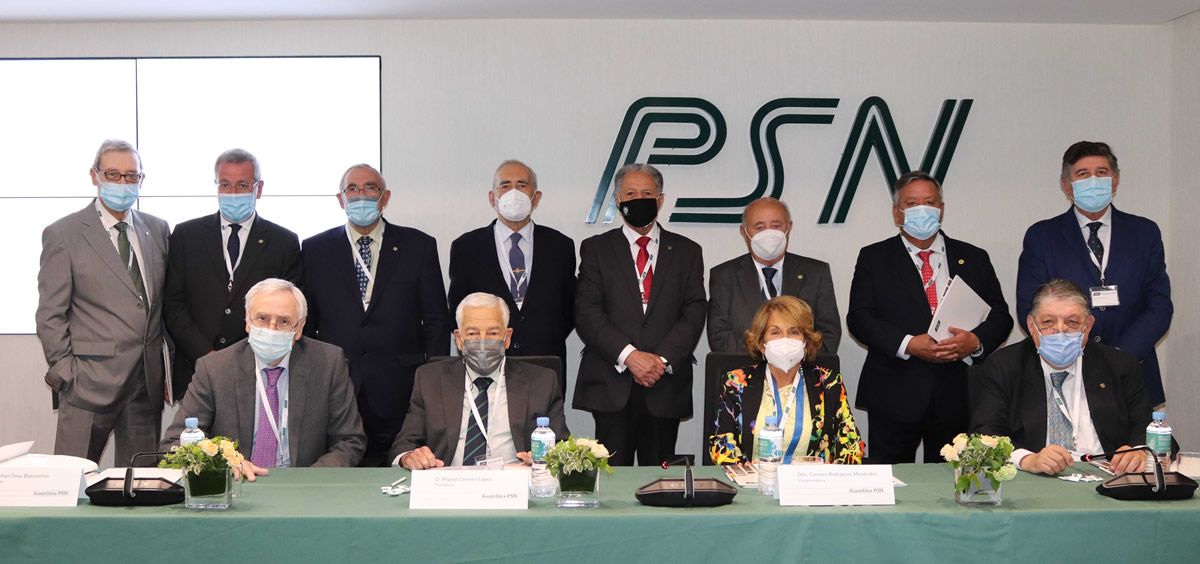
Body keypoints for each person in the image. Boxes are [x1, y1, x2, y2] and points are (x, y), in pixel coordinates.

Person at [847, 171, 1012, 464]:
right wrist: (908, 344)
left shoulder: (974, 257)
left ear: (942, 208)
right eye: (912, 204)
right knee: (892, 479)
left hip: (957, 392)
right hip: (894, 392)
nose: (922, 210)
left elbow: (1001, 317)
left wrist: (974, 342)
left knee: (953, 479)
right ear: (897, 212)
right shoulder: (874, 257)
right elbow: (860, 318)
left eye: (930, 202)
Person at [301, 164, 450, 467]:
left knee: (399, 468)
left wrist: (433, 381)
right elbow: (307, 322)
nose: (361, 195)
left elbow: (436, 319)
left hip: (401, 386)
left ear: (385, 197)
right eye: (352, 189)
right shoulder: (315, 249)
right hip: (337, 384)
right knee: (340, 469)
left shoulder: (418, 246)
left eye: (370, 188)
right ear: (340, 199)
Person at [35, 139, 170, 465]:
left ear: (141, 179)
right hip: (87, 385)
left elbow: (161, 304)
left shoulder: (157, 229)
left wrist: (166, 370)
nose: (122, 183)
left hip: (144, 385)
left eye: (131, 176)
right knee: (72, 480)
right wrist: (66, 373)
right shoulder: (63, 234)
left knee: (141, 481)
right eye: (113, 174)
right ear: (94, 175)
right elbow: (50, 314)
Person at [1016, 141, 1172, 407]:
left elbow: (1159, 306)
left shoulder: (1144, 232)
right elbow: (1030, 308)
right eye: (1083, 174)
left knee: (1135, 437)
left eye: (1101, 173)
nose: (1093, 181)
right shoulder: (1042, 236)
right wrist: (1075, 353)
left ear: (1115, 180)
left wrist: (1120, 357)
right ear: (1066, 185)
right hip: (1065, 372)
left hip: (1133, 372)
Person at [574, 163, 707, 466]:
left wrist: (660, 361)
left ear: (660, 200)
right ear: (618, 201)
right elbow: (587, 311)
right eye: (631, 194)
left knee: (660, 480)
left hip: (664, 385)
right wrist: (630, 357)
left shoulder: (687, 251)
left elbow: (695, 310)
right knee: (611, 479)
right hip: (612, 382)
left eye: (647, 194)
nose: (639, 200)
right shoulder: (596, 249)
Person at [162, 278, 366, 476]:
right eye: (262, 319)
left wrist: (307, 481)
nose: (271, 329)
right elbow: (175, 442)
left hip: (304, 486)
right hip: (238, 483)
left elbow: (349, 440)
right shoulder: (215, 368)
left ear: (299, 328)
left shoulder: (328, 363)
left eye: (284, 321)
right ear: (247, 321)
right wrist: (223, 464)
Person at [971, 279, 1151, 475]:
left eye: (1072, 322)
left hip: (1105, 476)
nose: (1060, 331)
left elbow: (1147, 427)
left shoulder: (1119, 365)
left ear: (1088, 325)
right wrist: (1028, 459)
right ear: (1031, 325)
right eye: (1048, 322)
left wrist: (1138, 451)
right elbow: (984, 434)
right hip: (1035, 480)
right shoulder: (1005, 366)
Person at [163, 148, 302, 399]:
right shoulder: (186, 235)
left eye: (242, 185)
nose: (233, 193)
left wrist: (245, 359)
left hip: (257, 370)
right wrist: (207, 356)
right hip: (196, 369)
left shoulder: (283, 242)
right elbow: (173, 305)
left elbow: (288, 312)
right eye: (225, 185)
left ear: (258, 188)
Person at [389, 292, 569, 469]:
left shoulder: (542, 382)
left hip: (513, 482)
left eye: (493, 333)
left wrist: (544, 458)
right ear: (459, 339)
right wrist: (409, 457)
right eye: (473, 333)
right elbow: (403, 445)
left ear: (507, 338)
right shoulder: (430, 380)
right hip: (450, 482)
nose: (483, 342)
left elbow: (562, 448)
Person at [447, 160, 576, 389]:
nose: (513, 193)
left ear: (536, 197)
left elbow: (569, 309)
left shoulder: (560, 246)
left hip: (545, 366)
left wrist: (541, 334)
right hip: (485, 367)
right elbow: (458, 309)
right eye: (505, 186)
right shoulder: (467, 247)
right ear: (492, 197)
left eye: (522, 185)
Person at [709, 296, 863, 465]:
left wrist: (830, 473)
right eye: (775, 332)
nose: (785, 340)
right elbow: (721, 443)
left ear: (805, 341)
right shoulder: (736, 383)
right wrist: (744, 470)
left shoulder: (829, 383)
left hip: (810, 480)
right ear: (761, 342)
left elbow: (852, 445)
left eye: (794, 332)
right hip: (755, 479)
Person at [708, 197, 840, 354]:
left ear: (789, 227)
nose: (768, 233)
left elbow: (828, 333)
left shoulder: (816, 273)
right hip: (743, 368)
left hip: (802, 368)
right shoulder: (724, 275)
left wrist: (792, 362)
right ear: (744, 231)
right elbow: (719, 336)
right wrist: (764, 361)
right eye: (759, 227)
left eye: (776, 226)